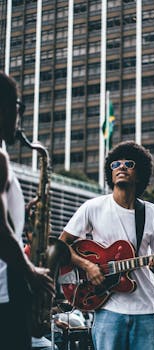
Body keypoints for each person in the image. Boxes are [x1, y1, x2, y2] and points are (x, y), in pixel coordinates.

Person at [59, 140, 154, 350]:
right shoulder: (92, 207)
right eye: (115, 164)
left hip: (145, 309)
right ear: (110, 173)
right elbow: (60, 246)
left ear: (140, 174)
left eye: (129, 164)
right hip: (107, 307)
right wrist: (87, 266)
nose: (121, 167)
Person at [0, 71, 55, 350]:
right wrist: (31, 272)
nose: (18, 119)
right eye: (18, 108)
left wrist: (20, 209)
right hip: (5, 293)